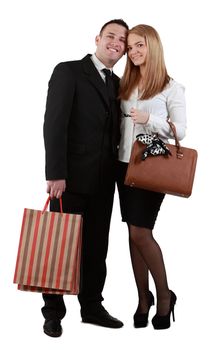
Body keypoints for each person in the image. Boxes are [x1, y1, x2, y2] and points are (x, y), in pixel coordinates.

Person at [42, 18, 128, 337]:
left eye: (122, 40)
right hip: (70, 179)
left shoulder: (118, 85)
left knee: (96, 248)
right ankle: (53, 312)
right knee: (59, 245)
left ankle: (91, 306)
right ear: (97, 38)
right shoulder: (68, 71)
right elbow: (54, 123)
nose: (116, 43)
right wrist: (55, 173)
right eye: (111, 36)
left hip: (105, 182)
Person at [117, 24, 186, 329]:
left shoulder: (171, 87)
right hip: (122, 165)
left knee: (140, 233)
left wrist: (150, 119)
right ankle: (143, 299)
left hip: (151, 163)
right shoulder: (126, 84)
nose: (133, 52)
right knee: (132, 236)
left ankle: (164, 296)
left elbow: (181, 131)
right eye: (130, 48)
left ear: (153, 46)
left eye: (139, 46)